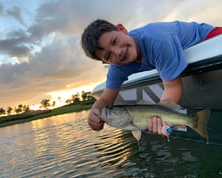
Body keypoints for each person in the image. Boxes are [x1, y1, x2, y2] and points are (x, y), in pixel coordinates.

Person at [81, 19, 222, 135]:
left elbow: (173, 86)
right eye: (108, 55)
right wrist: (95, 113)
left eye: (114, 41)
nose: (118, 52)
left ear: (122, 29)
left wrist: (161, 115)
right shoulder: (118, 66)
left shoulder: (157, 40)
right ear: (106, 62)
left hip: (207, 38)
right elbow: (106, 99)